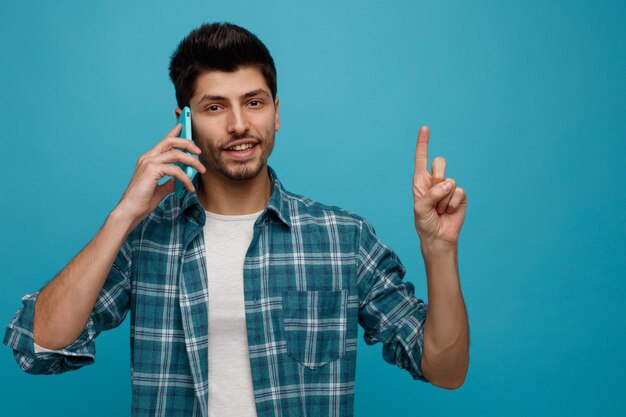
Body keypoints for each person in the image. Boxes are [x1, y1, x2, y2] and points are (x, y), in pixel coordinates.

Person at [4, 22, 469, 417]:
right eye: (214, 107)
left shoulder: (342, 238)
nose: (239, 125)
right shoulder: (145, 239)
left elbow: (445, 371)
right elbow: (37, 346)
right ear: (183, 122)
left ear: (276, 112)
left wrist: (439, 250)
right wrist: (123, 215)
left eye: (254, 102)